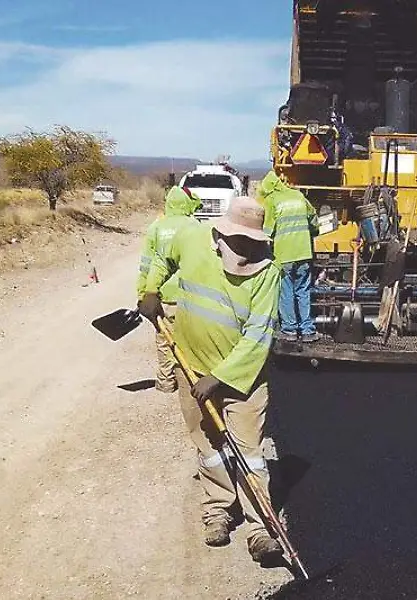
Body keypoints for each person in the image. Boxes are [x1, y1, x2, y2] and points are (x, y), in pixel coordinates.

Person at [138, 196, 286, 565]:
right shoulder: (193, 244)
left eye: (253, 243)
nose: (246, 249)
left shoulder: (268, 273)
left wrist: (218, 378)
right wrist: (152, 290)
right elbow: (158, 258)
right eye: (239, 241)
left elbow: (258, 335)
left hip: (241, 379)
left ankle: (260, 529)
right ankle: (218, 510)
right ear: (221, 234)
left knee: (249, 454)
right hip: (190, 367)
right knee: (209, 448)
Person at [136, 186, 201, 394]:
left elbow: (147, 263)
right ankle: (191, 378)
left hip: (162, 295)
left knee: (164, 339)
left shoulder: (156, 227)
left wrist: (144, 293)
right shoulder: (195, 226)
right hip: (189, 294)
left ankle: (166, 381)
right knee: (190, 338)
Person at [257, 170, 319, 342]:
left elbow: (267, 231)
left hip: (284, 256)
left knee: (286, 292)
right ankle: (307, 330)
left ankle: (290, 330)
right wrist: (313, 233)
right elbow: (313, 219)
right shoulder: (298, 196)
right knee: (303, 291)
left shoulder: (271, 200)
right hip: (304, 252)